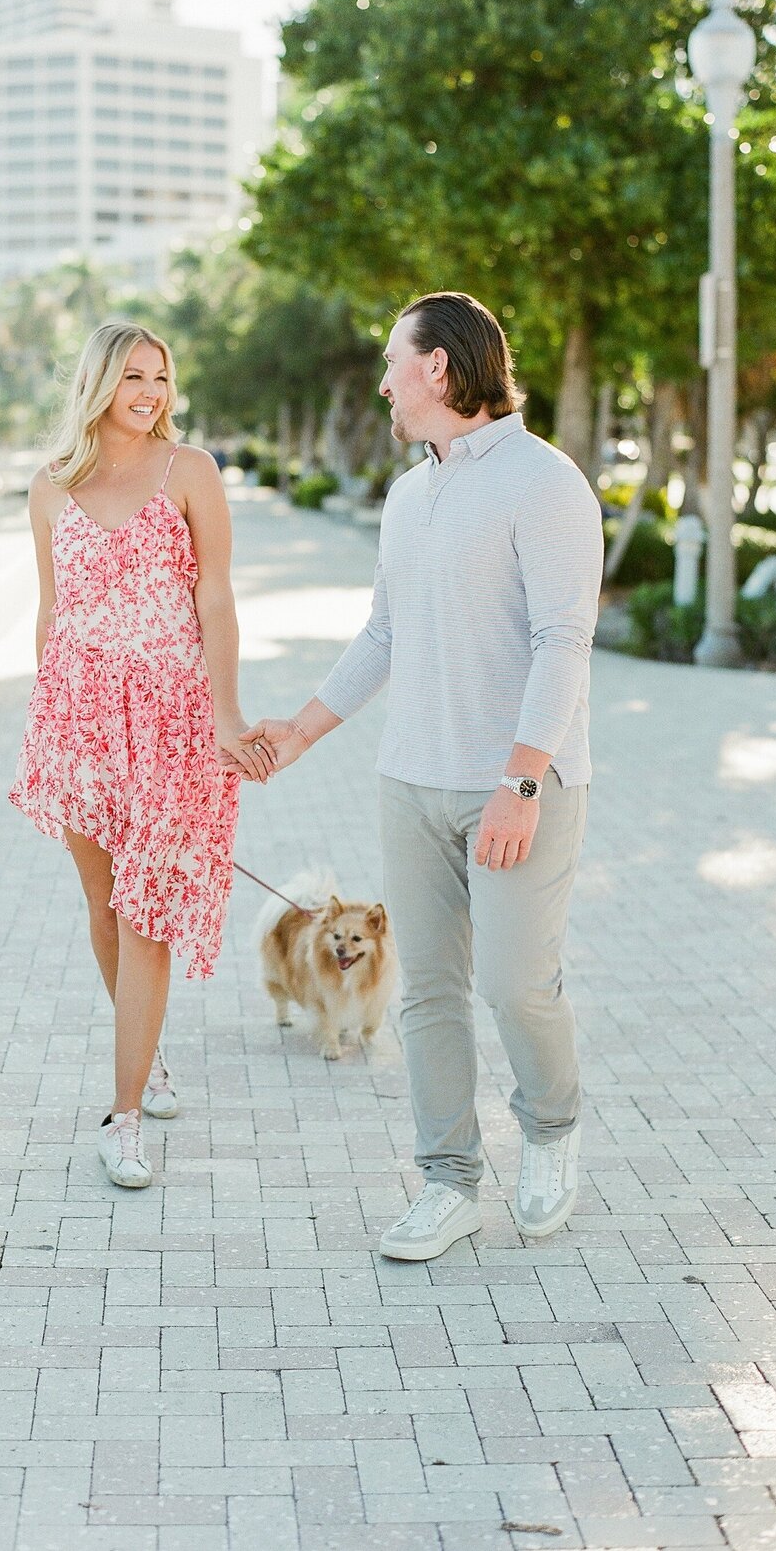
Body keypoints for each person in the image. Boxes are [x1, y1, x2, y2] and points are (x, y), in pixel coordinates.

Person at [243, 291, 604, 1260]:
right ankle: (448, 1180)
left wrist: (521, 782)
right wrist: (301, 734)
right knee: (427, 994)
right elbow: (384, 634)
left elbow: (564, 639)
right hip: (412, 780)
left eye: (394, 364)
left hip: (520, 787)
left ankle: (553, 1134)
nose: (385, 383)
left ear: (438, 369)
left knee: (517, 983)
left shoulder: (545, 481)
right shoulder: (412, 493)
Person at [9, 320, 273, 1190]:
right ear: (98, 385)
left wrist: (226, 715)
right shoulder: (50, 488)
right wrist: (47, 715)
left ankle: (122, 1119)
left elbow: (217, 597)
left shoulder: (189, 470)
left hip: (170, 716)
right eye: (133, 377)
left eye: (161, 376)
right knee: (102, 901)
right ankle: (147, 1058)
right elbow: (51, 614)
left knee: (146, 915)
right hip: (79, 718)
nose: (151, 392)